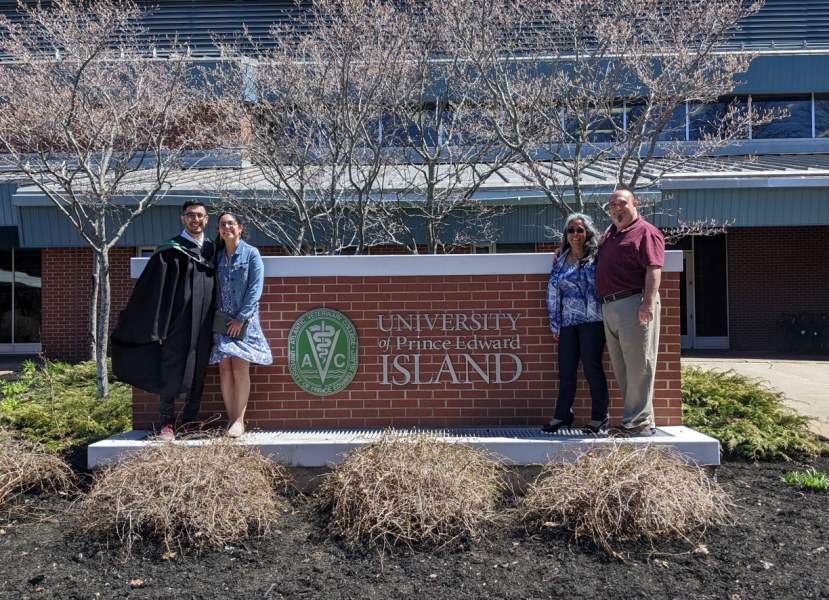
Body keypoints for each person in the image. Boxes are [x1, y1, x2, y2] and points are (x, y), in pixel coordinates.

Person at [111, 199, 216, 441]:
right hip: (176, 323)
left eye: (200, 215)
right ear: (183, 219)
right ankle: (167, 423)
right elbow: (154, 291)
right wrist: (157, 329)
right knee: (170, 368)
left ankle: (190, 422)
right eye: (190, 215)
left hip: (205, 323)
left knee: (199, 369)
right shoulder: (170, 251)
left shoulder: (212, 250)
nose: (195, 219)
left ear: (206, 218)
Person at [595, 187, 665, 436]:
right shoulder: (611, 234)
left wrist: (647, 303)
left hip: (634, 303)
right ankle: (640, 420)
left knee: (639, 365)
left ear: (635, 204)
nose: (616, 208)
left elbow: (654, 269)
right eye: (612, 205)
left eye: (622, 203)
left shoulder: (645, 232)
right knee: (624, 367)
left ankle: (637, 423)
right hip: (611, 306)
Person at [542, 213, 610, 435]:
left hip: (592, 320)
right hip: (568, 323)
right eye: (571, 230)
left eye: (580, 230)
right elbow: (553, 292)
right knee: (566, 371)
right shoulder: (561, 258)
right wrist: (555, 323)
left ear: (587, 233)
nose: (575, 234)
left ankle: (600, 417)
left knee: (592, 369)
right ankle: (563, 416)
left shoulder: (598, 255)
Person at [209, 211, 272, 438]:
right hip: (222, 320)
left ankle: (239, 420)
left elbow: (255, 288)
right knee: (224, 369)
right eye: (223, 224)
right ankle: (230, 418)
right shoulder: (216, 256)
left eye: (231, 223)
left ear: (240, 227)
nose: (227, 227)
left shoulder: (251, 254)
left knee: (239, 368)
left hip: (243, 321)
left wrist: (242, 317)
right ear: (218, 230)